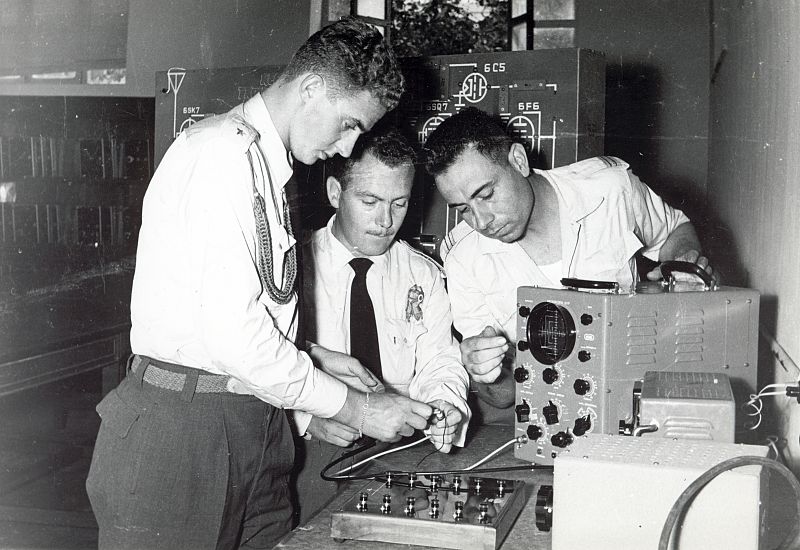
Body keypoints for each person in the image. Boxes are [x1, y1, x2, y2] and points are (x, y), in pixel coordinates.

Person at [86, 18, 434, 550]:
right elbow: (233, 339)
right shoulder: (221, 154)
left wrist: (310, 354)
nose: (346, 148)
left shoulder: (266, 167)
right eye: (347, 124)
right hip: (186, 430)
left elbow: (237, 311)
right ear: (312, 88)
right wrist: (356, 408)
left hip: (255, 423)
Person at [422, 107, 716, 417]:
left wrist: (683, 262)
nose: (481, 221)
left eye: (487, 194)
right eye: (463, 209)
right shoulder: (463, 259)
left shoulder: (611, 190)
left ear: (518, 160)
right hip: (549, 418)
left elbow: (673, 230)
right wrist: (485, 370)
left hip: (639, 399)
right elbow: (502, 397)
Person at [292, 124, 471, 520]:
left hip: (400, 446)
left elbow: (440, 358)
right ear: (336, 193)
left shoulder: (422, 274)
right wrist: (305, 420)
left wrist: (445, 402)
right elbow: (260, 361)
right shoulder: (293, 266)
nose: (385, 220)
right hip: (311, 449)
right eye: (370, 201)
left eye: (399, 203)